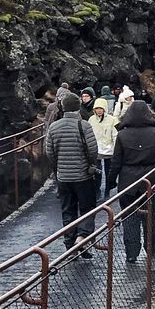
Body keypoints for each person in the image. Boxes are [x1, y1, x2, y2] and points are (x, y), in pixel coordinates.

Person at [110, 101, 155, 263]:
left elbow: (116, 161)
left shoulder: (122, 135)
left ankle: (131, 253)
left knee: (129, 217)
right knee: (151, 215)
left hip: (128, 183)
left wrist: (111, 181)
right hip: (150, 181)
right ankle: (151, 248)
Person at [45, 91, 99, 250]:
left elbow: (49, 152)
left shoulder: (54, 127)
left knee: (67, 210)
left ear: (63, 107)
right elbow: (93, 150)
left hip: (63, 177)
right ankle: (82, 236)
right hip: (83, 176)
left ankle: (69, 244)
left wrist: (58, 167)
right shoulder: (84, 126)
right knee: (87, 208)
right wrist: (90, 165)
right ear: (78, 107)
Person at [89, 97, 119, 200]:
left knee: (109, 172)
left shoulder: (112, 120)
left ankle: (107, 191)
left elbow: (115, 135)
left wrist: (116, 149)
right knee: (97, 172)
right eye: (97, 108)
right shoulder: (91, 119)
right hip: (96, 149)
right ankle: (97, 191)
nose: (99, 110)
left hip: (109, 149)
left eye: (101, 108)